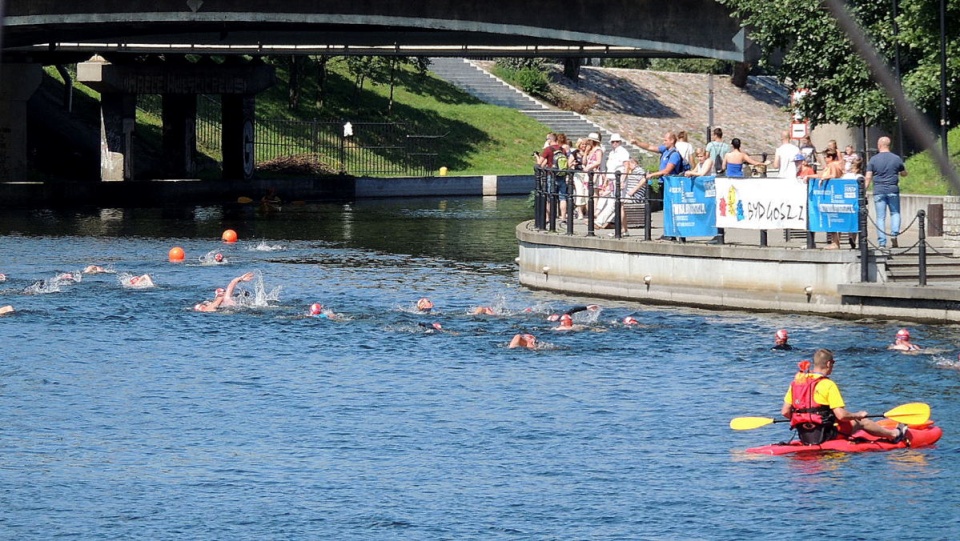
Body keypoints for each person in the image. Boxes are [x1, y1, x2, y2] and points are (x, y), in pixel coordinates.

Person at [781, 348, 907, 445]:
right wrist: (858, 415)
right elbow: (841, 415)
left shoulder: (797, 383)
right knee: (862, 422)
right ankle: (894, 434)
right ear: (829, 363)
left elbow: (785, 412)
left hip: (805, 436)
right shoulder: (828, 384)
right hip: (826, 435)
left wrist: (805, 419)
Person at [632, 132, 685, 241]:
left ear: (672, 141)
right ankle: (668, 232)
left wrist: (652, 174)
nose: (663, 141)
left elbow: (667, 170)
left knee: (671, 208)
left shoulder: (674, 154)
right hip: (664, 184)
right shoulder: (665, 150)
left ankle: (672, 233)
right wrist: (637, 143)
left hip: (671, 184)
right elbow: (650, 147)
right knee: (667, 208)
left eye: (665, 140)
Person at [865, 136, 908, 249]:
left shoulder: (873, 160)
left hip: (878, 190)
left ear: (879, 146)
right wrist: (902, 172)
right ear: (889, 145)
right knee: (895, 213)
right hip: (893, 189)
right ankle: (894, 234)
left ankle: (882, 242)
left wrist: (863, 190)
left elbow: (868, 177)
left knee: (880, 217)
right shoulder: (896, 158)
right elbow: (903, 173)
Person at [814, 148, 846, 250]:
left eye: (826, 156)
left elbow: (833, 175)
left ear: (831, 157)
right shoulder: (839, 164)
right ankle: (836, 242)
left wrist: (824, 178)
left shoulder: (832, 165)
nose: (825, 158)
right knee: (837, 218)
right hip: (838, 193)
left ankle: (835, 243)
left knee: (831, 218)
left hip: (832, 193)